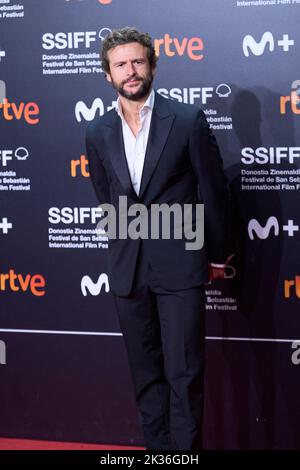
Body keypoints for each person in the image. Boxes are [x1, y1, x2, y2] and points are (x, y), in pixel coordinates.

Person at [85, 27, 230, 450]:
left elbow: (213, 192)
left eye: (137, 62)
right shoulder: (97, 131)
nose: (130, 71)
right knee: (146, 378)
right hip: (129, 272)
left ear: (151, 65)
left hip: (181, 268)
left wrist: (218, 255)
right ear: (107, 75)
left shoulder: (186, 120)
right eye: (120, 65)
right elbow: (105, 194)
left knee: (185, 377)